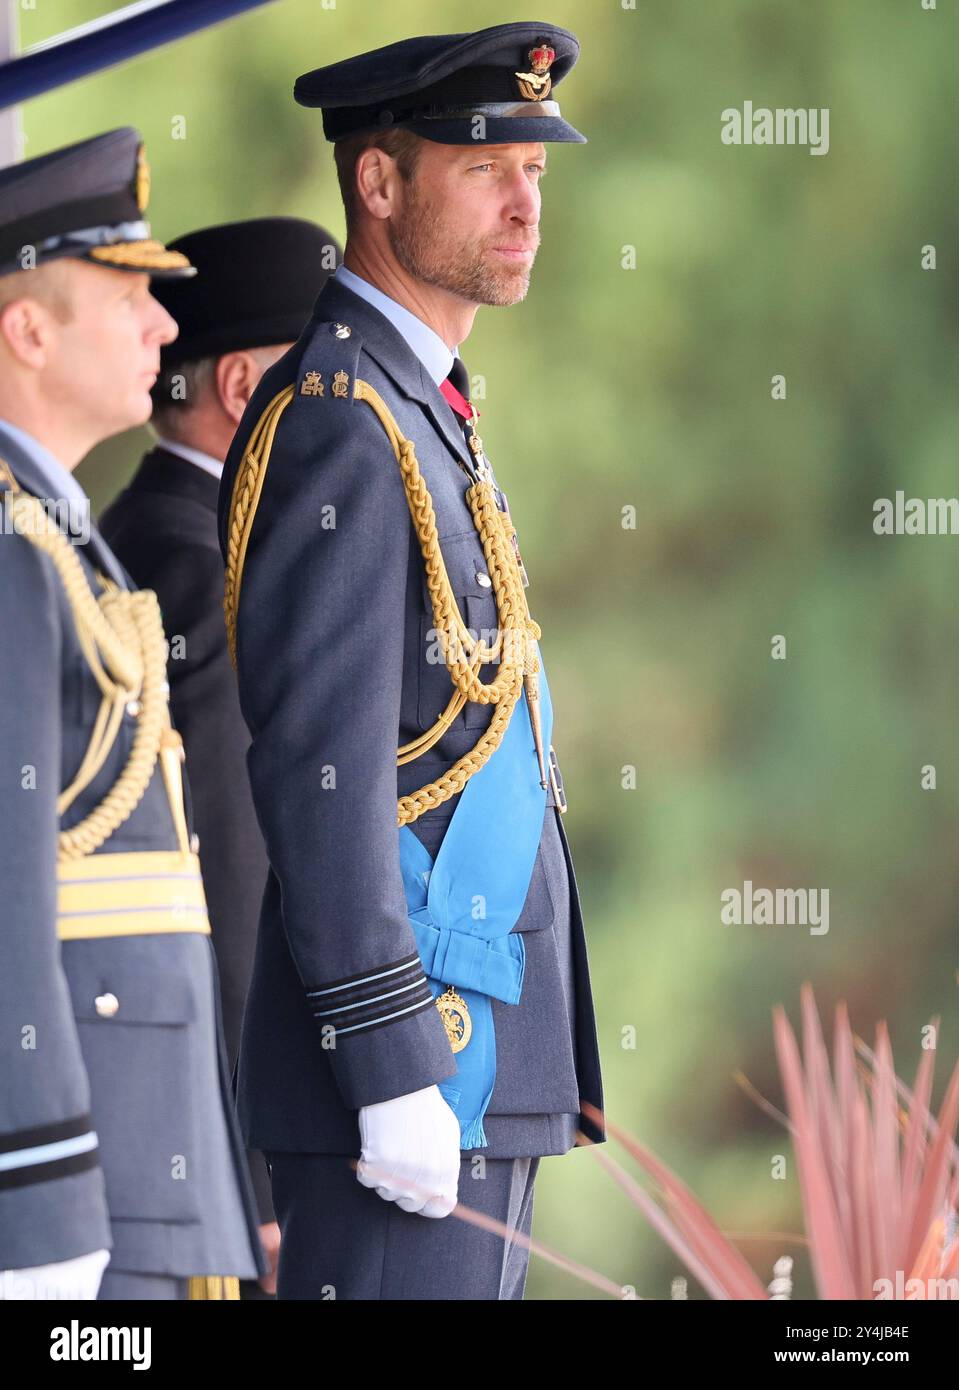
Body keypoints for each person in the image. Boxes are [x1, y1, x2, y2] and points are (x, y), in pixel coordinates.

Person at [217, 21, 605, 1300]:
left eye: (537, 171)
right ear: (376, 185)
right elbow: (317, 769)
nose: (523, 201)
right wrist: (390, 1067)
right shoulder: (341, 419)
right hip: (414, 1068)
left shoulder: (414, 401)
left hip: (475, 1057)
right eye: (484, 165)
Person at [0, 127, 266, 1301]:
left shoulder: (71, 548)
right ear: (28, 329)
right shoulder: (15, 557)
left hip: (150, 1166)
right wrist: (38, 1200)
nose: (166, 329)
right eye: (131, 293)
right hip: (80, 1183)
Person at [99, 216, 343, 1298]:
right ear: (244, 388)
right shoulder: (192, 565)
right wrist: (257, 1169)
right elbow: (226, 872)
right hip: (224, 1147)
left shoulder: (173, 536)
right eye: (323, 378)